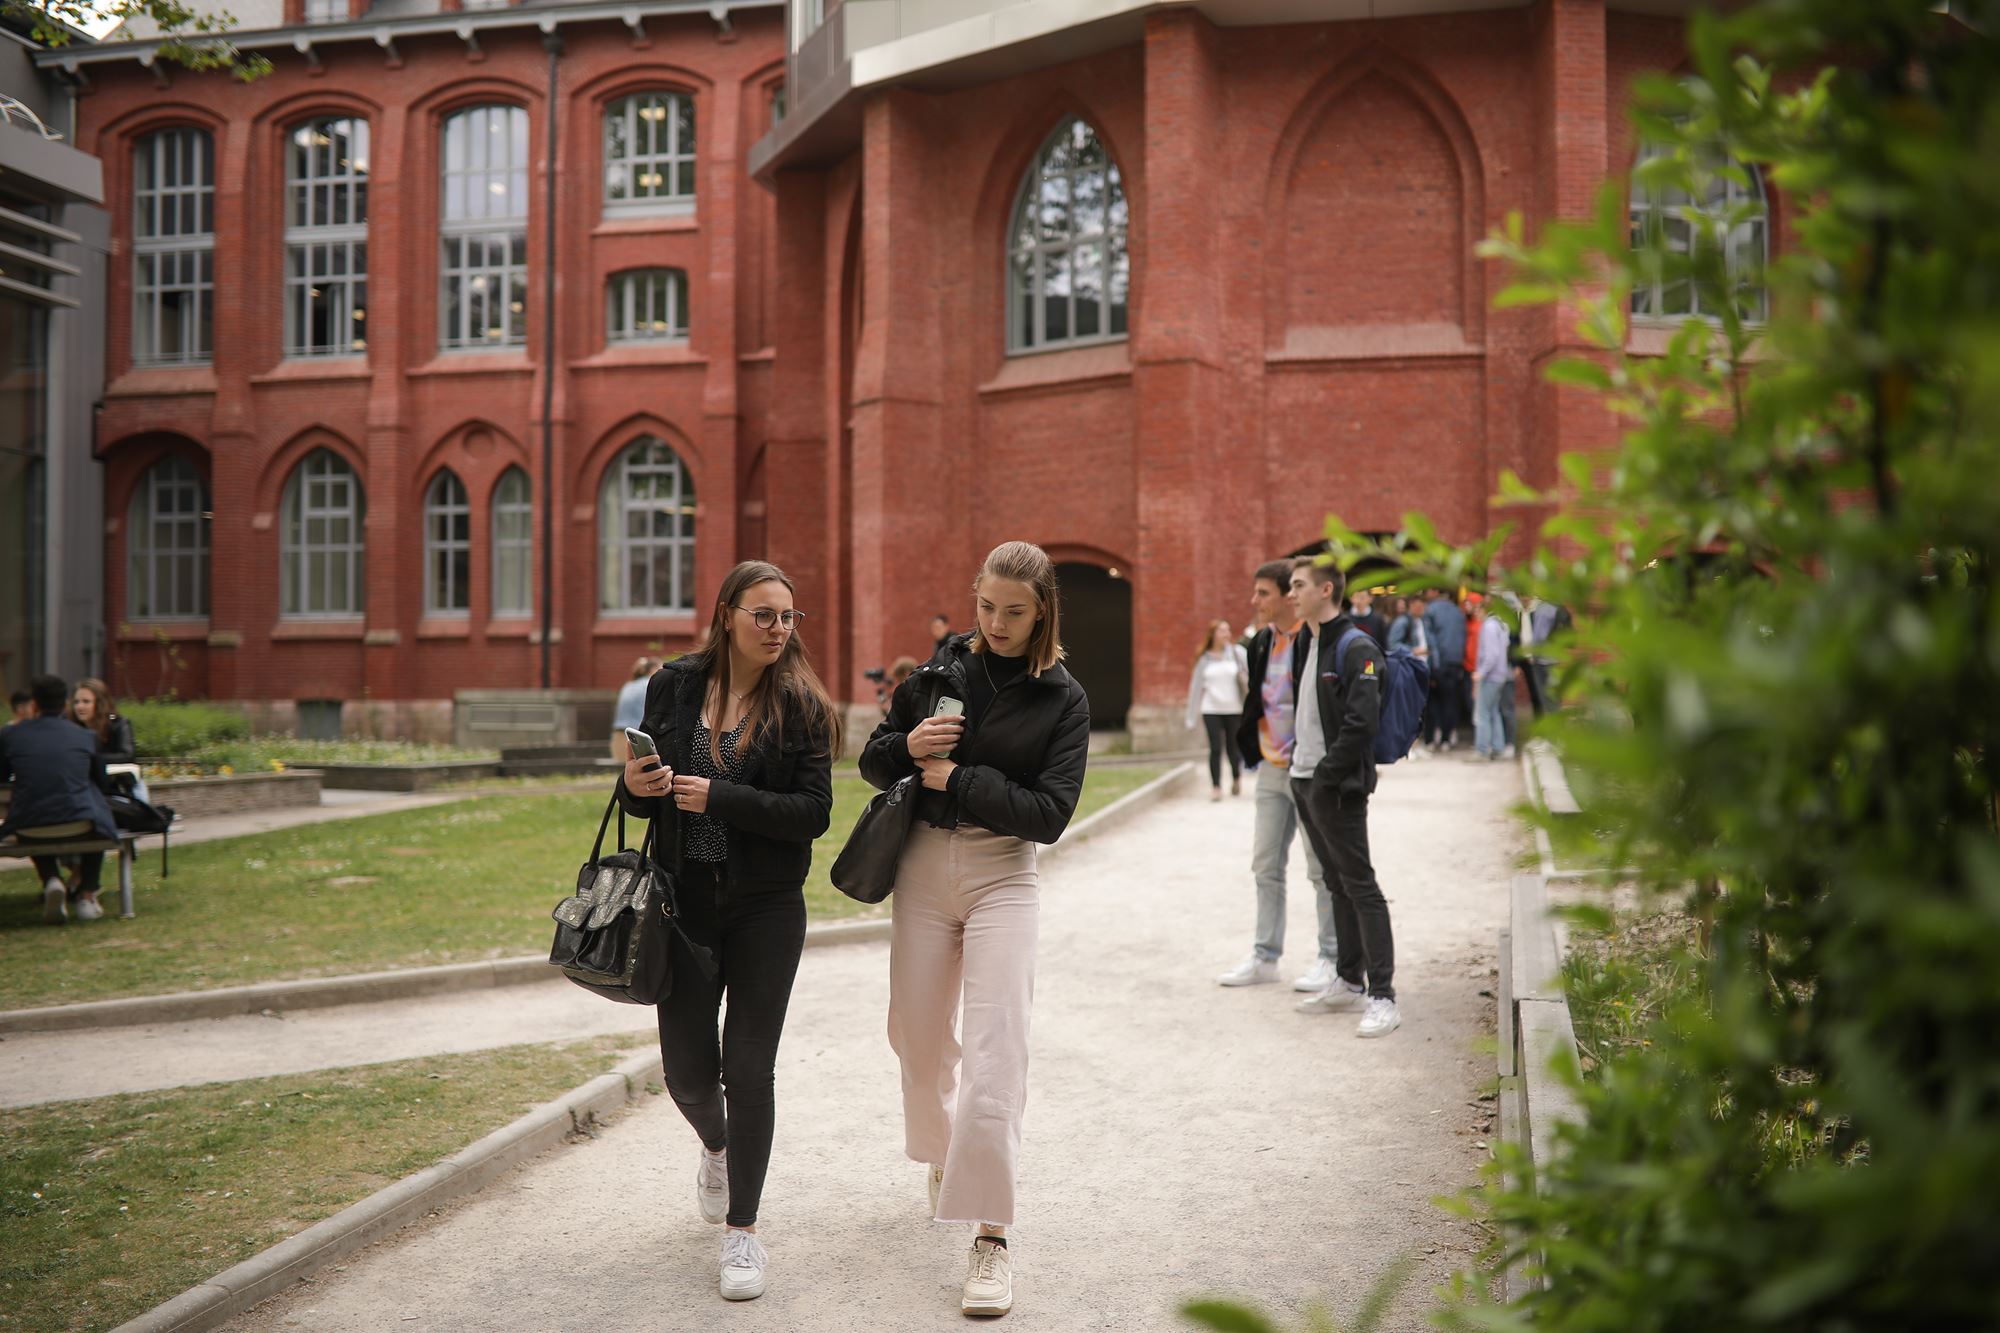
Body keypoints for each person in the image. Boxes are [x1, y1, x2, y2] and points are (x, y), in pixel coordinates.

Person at [861, 540, 1090, 1320]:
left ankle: (992, 1237)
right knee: (918, 1042)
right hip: (921, 870)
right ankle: (945, 1152)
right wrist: (907, 746)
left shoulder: (1065, 698)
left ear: (1043, 611)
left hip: (1004, 875)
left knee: (999, 1051)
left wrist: (959, 778)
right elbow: (871, 757)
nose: (995, 622)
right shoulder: (936, 674)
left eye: (1014, 611)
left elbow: (1051, 815)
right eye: (987, 606)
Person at [612, 562, 839, 1303]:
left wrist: (723, 795)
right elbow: (645, 802)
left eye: (788, 617)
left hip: (767, 907)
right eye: (764, 615)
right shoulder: (673, 685)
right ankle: (716, 1145)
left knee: (749, 1070)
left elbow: (812, 813)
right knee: (685, 1071)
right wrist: (635, 786)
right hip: (684, 907)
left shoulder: (801, 703)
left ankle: (743, 1230)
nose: (778, 629)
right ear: (727, 613)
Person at [1287, 559, 1400, 1038]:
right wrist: (1302, 773)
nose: (1291, 594)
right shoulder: (1304, 641)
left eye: (1298, 586)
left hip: (1334, 785)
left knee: (1361, 885)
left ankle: (1383, 995)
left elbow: (1362, 723)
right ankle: (1350, 978)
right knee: (1335, 882)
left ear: (1325, 589)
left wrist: (1327, 776)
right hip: (1303, 778)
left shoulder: (1357, 647)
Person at [1221, 559, 1340, 993]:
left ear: (1289, 595)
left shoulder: (1317, 642)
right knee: (1265, 864)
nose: (1255, 602)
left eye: (1263, 593)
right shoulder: (1259, 644)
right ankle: (1265, 955)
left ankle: (1331, 957)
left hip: (1309, 771)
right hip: (1272, 769)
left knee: (1320, 869)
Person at [0, 675, 117, 924]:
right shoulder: (85, 737)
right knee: (97, 817)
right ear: (65, 704)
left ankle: (51, 878)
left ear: (34, 705)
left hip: (29, 826)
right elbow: (101, 781)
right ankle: (86, 894)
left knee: (36, 811)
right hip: (81, 824)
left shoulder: (11, 735)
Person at [1185, 619, 1249, 801]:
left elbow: (1250, 676)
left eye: (1228, 630)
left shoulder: (1237, 654)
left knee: (1233, 747)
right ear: (1213, 635)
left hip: (1234, 708)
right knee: (1215, 748)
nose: (1226, 634)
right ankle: (1216, 787)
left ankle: (1236, 777)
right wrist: (1190, 716)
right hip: (1211, 709)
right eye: (1221, 631)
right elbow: (1196, 688)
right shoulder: (1204, 659)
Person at [1422, 587, 1468, 750]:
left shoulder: (1430, 610)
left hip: (1438, 662)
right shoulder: (1458, 612)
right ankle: (1447, 739)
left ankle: (1430, 739)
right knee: (1450, 701)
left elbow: (1430, 639)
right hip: (1455, 662)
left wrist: (1434, 664)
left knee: (1433, 702)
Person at [1474, 599, 1511, 760]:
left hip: (1490, 675)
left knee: (1483, 713)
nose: (1475, 612)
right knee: (1494, 712)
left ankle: (1482, 750)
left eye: (1477, 609)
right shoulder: (1500, 624)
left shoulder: (1488, 626)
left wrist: (1481, 672)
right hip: (1500, 674)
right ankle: (1498, 747)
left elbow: (1491, 654)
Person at [609, 656, 657, 761]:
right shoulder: (651, 684)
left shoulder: (628, 685)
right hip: (637, 740)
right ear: (653, 670)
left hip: (618, 738)